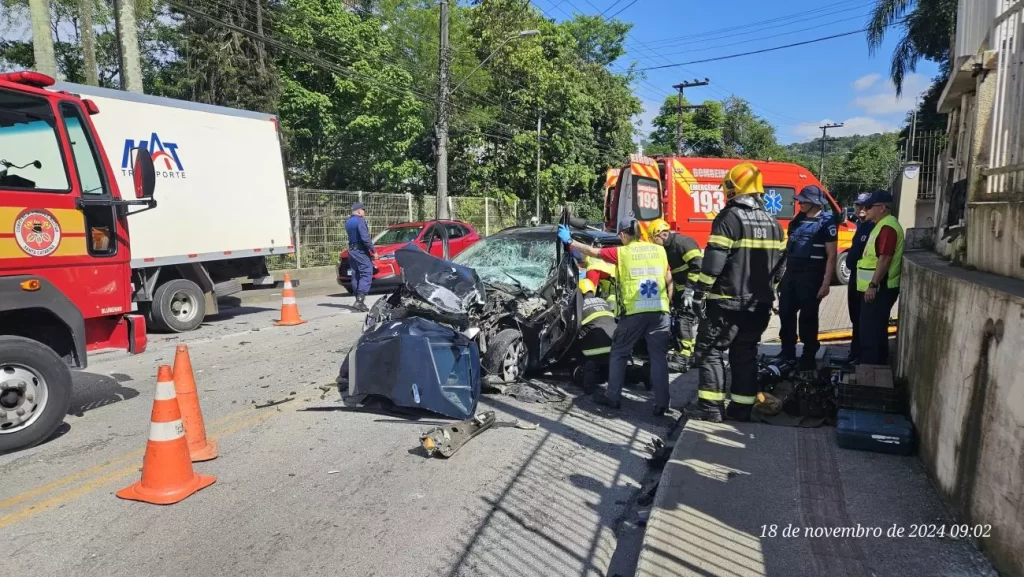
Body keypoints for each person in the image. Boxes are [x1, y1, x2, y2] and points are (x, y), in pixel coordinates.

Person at [682, 162, 785, 423]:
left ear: (733, 187)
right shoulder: (774, 222)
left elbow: (715, 261)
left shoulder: (730, 217)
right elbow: (781, 266)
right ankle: (741, 410)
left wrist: (700, 291)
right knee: (745, 353)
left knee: (710, 351)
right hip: (758, 303)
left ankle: (711, 408)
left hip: (726, 302)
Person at [559, 219, 673, 416]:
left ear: (623, 235)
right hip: (660, 312)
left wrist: (570, 242)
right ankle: (663, 404)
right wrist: (668, 306)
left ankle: (612, 398)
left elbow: (593, 252)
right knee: (658, 358)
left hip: (634, 313)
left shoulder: (622, 252)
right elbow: (669, 280)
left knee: (619, 353)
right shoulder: (659, 251)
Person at [774, 185, 838, 370]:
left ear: (814, 203)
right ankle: (787, 352)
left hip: (812, 275)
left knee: (807, 318)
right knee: (786, 313)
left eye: (803, 200)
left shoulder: (827, 222)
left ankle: (808, 356)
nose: (799, 203)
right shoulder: (798, 220)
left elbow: (832, 255)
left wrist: (826, 283)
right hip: (792, 274)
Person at [648, 218, 703, 372]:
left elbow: (698, 265)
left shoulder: (683, 243)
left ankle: (683, 359)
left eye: (654, 239)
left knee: (684, 321)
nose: (653, 242)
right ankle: (692, 356)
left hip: (695, 290)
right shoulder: (666, 248)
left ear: (662, 235)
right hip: (682, 291)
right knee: (682, 320)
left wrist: (689, 290)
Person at [856, 190, 904, 366]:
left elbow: (885, 258)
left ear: (883, 208)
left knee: (870, 331)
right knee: (874, 328)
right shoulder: (881, 225)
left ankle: (871, 368)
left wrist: (872, 285)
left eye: (869, 206)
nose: (865, 209)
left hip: (880, 289)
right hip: (877, 288)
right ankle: (875, 364)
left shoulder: (888, 227)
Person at [842, 192, 876, 364]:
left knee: (862, 321)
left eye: (864, 206)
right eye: (857, 206)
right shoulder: (860, 224)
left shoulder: (871, 226)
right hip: (857, 279)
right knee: (855, 319)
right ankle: (854, 353)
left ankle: (861, 356)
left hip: (865, 283)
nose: (859, 209)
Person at [569, 279, 617, 393]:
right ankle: (641, 373)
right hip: (614, 346)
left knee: (575, 367)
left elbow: (572, 328)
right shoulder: (603, 301)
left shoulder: (579, 304)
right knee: (612, 372)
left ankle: (587, 374)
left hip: (592, 351)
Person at [345, 202, 377, 312]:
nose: (364, 212)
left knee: (356, 274)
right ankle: (359, 300)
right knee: (366, 272)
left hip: (351, 250)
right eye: (363, 210)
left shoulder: (348, 221)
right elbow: (365, 238)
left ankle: (358, 300)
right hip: (360, 250)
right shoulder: (360, 221)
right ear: (359, 211)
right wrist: (373, 250)